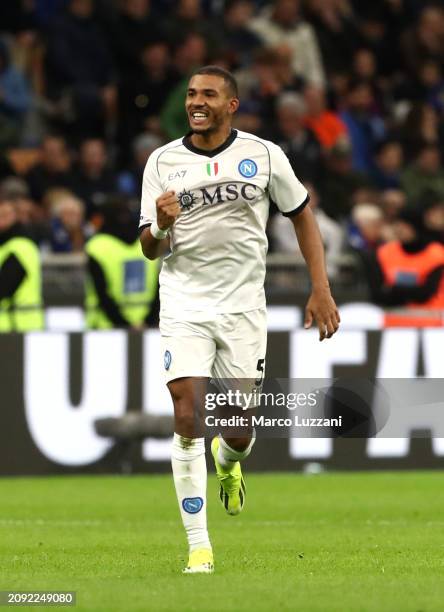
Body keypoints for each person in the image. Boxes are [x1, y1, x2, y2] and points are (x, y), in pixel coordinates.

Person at [139, 65, 339, 574]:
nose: (195, 102)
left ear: (232, 105)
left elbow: (302, 215)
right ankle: (198, 547)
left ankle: (229, 464)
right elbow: (148, 248)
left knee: (239, 429)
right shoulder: (163, 162)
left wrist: (321, 287)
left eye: (208, 94)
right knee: (186, 413)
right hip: (184, 303)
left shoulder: (265, 155)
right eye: (190, 94)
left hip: (243, 308)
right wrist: (160, 225)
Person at [86, 198, 159, 329]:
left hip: (105, 330)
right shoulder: (148, 243)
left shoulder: (96, 246)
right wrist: (147, 322)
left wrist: (125, 325)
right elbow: (160, 289)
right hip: (147, 328)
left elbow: (102, 295)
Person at [0, 197, 44, 331]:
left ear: (17, 217)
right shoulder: (6, 246)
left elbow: (4, 288)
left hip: (17, 326)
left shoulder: (21, 246)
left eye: (4, 215)